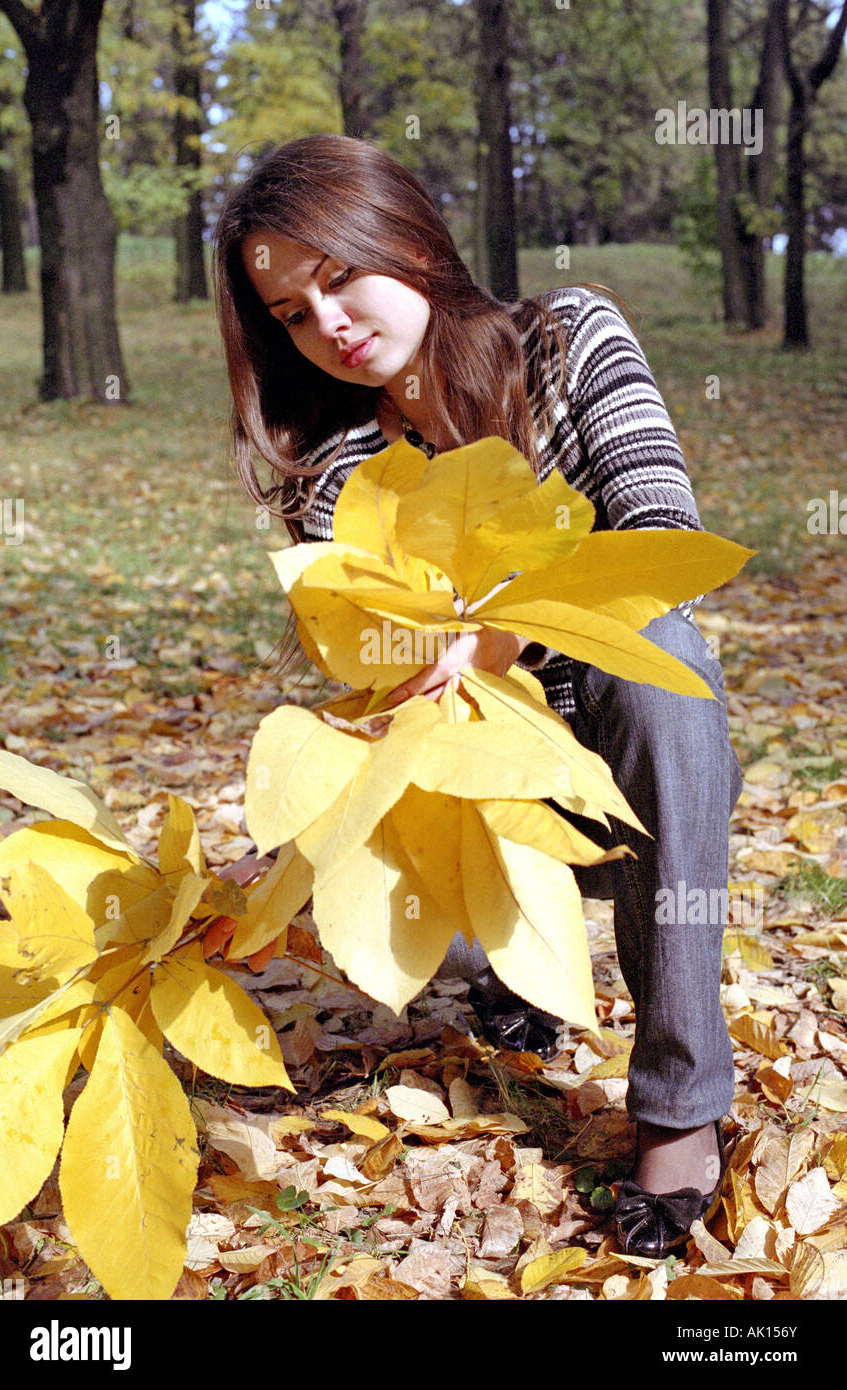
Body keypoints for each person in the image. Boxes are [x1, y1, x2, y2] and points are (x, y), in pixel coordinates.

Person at [211, 132, 743, 1257]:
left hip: (621, 767)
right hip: (473, 798)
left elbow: (661, 543)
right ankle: (514, 970)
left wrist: (499, 633)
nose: (331, 323)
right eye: (295, 314)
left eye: (340, 276)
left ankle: (681, 1109)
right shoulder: (338, 473)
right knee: (367, 876)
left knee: (670, 664)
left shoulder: (570, 340)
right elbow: (373, 671)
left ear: (402, 235)